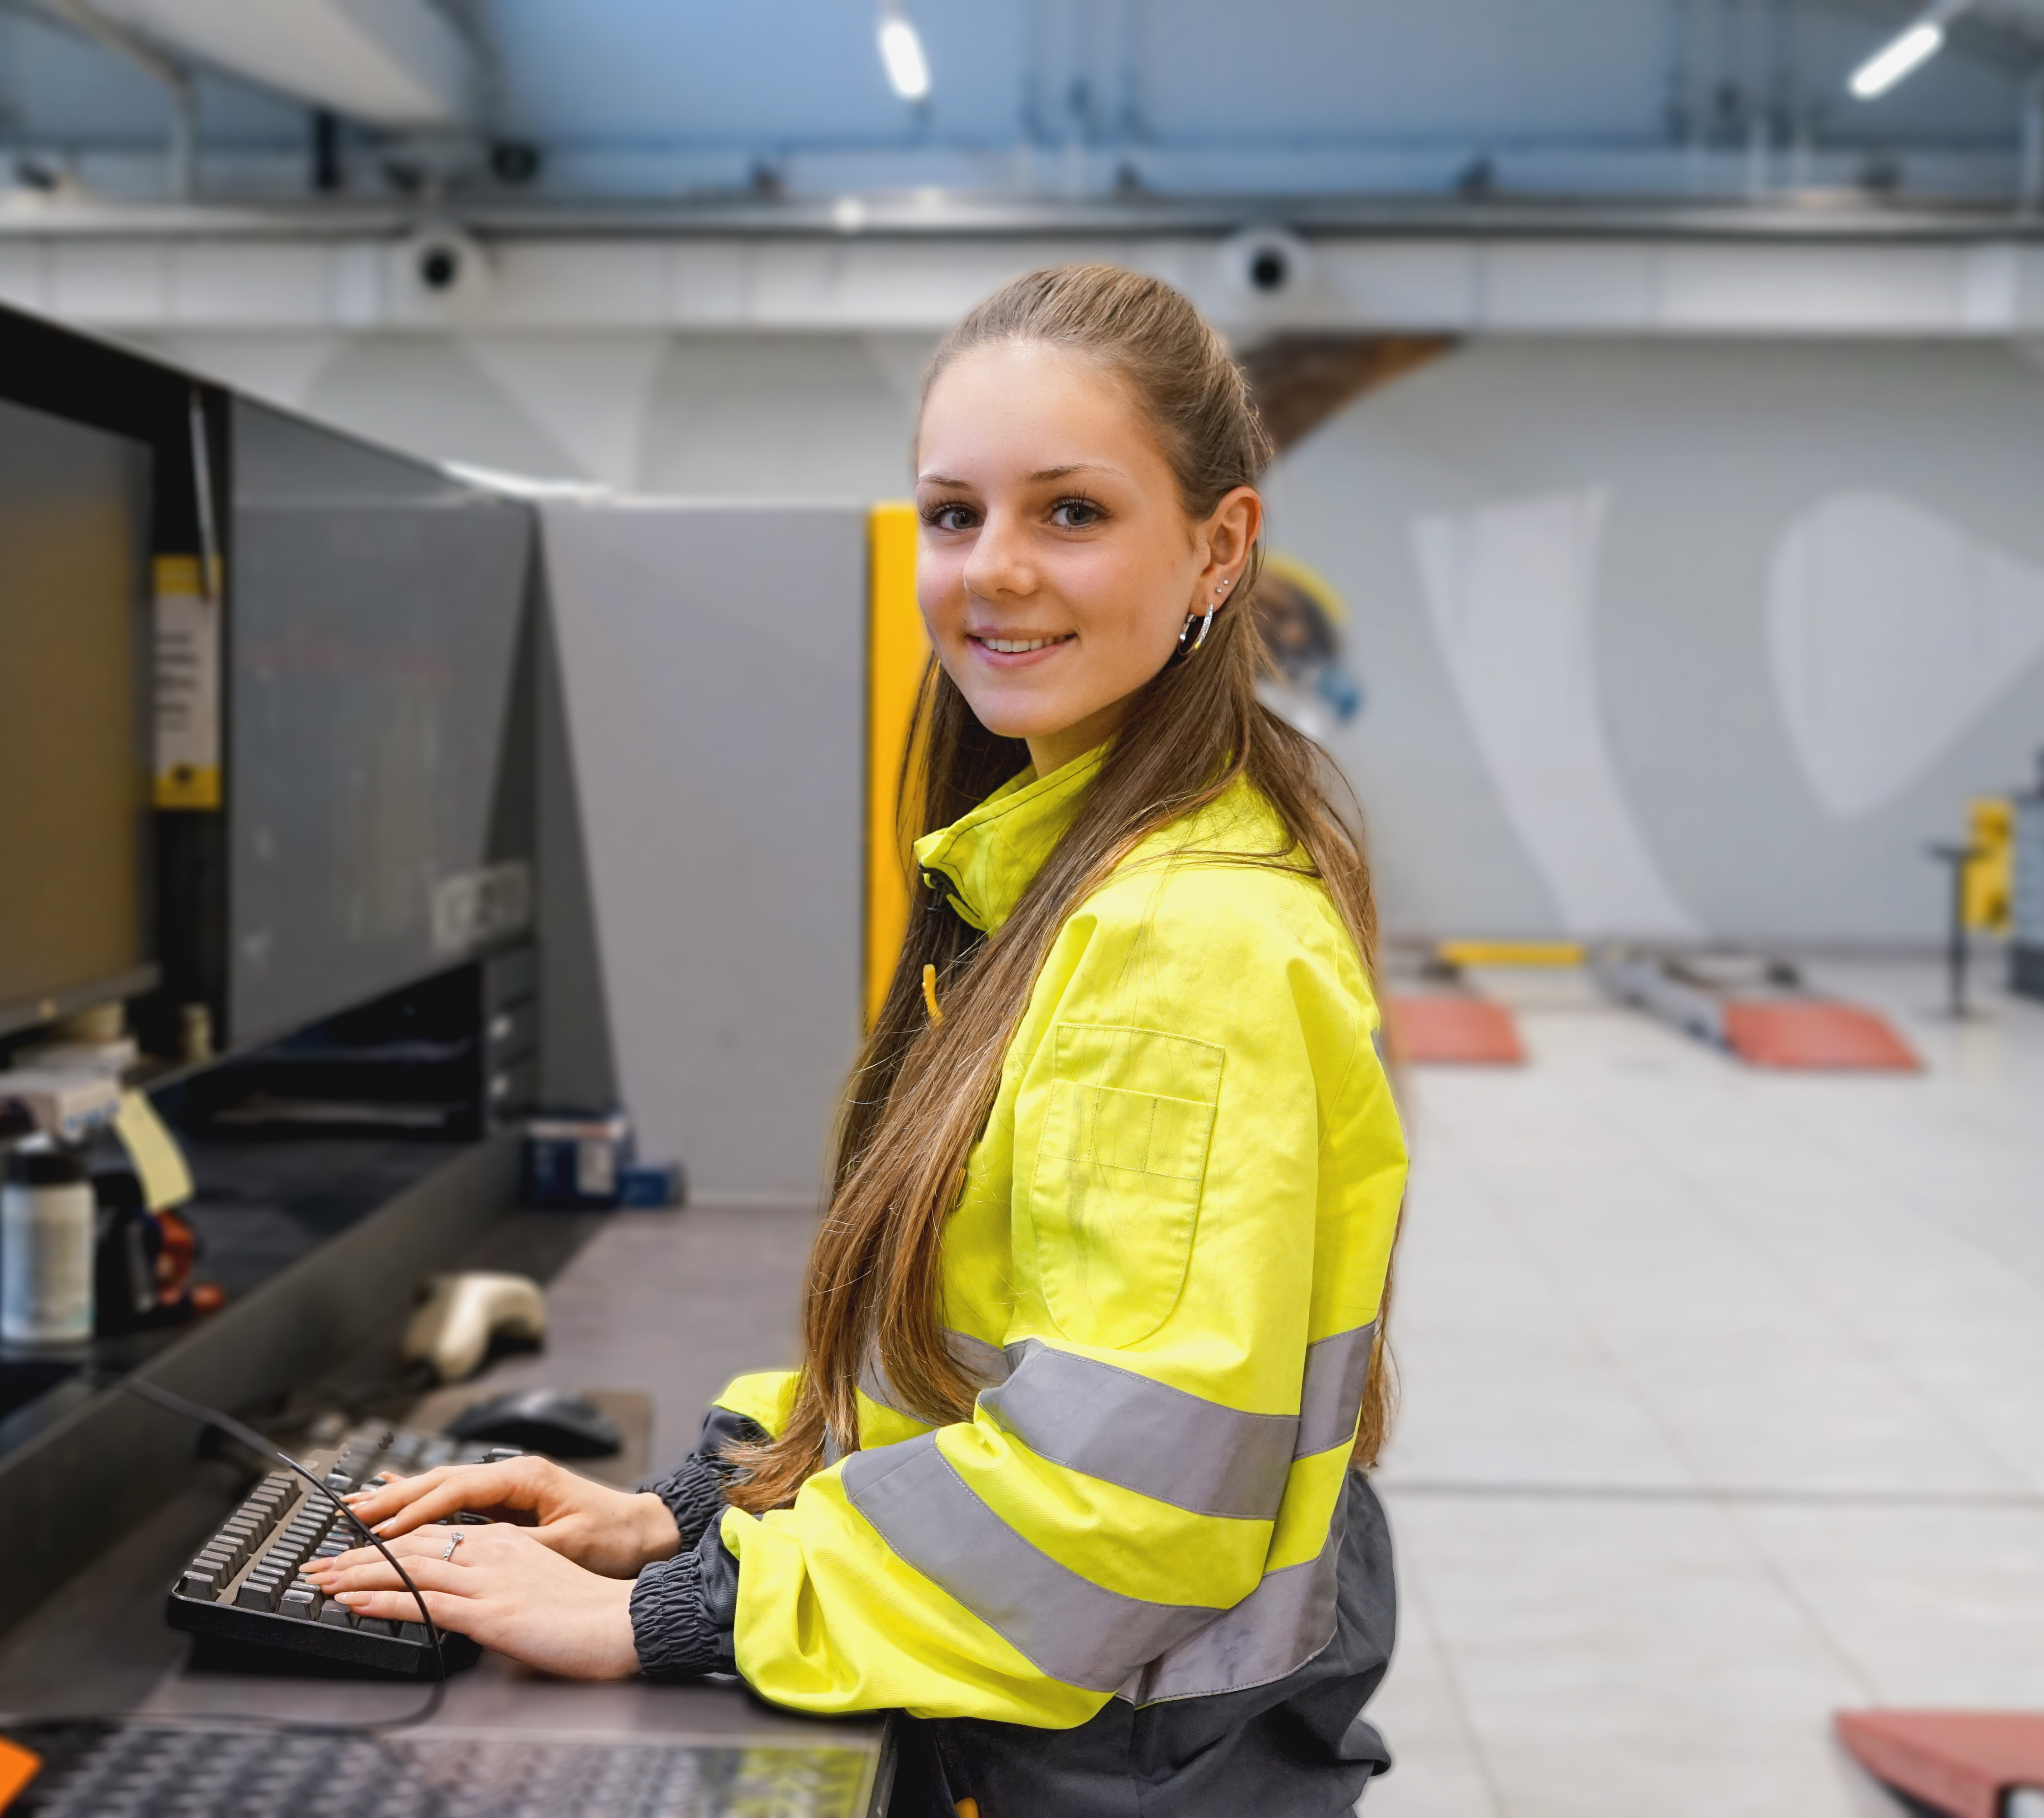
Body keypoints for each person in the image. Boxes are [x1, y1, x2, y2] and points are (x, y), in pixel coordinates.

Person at [306, 263, 1409, 1817]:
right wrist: (692, 1509)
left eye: (1072, 513)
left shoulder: (1183, 937)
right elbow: (965, 1367)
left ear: (1217, 547)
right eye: (954, 516)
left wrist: (690, 1612)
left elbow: (1115, 1505)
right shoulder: (1053, 862)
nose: (994, 571)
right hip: (1096, 1717)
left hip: (1121, 1757)